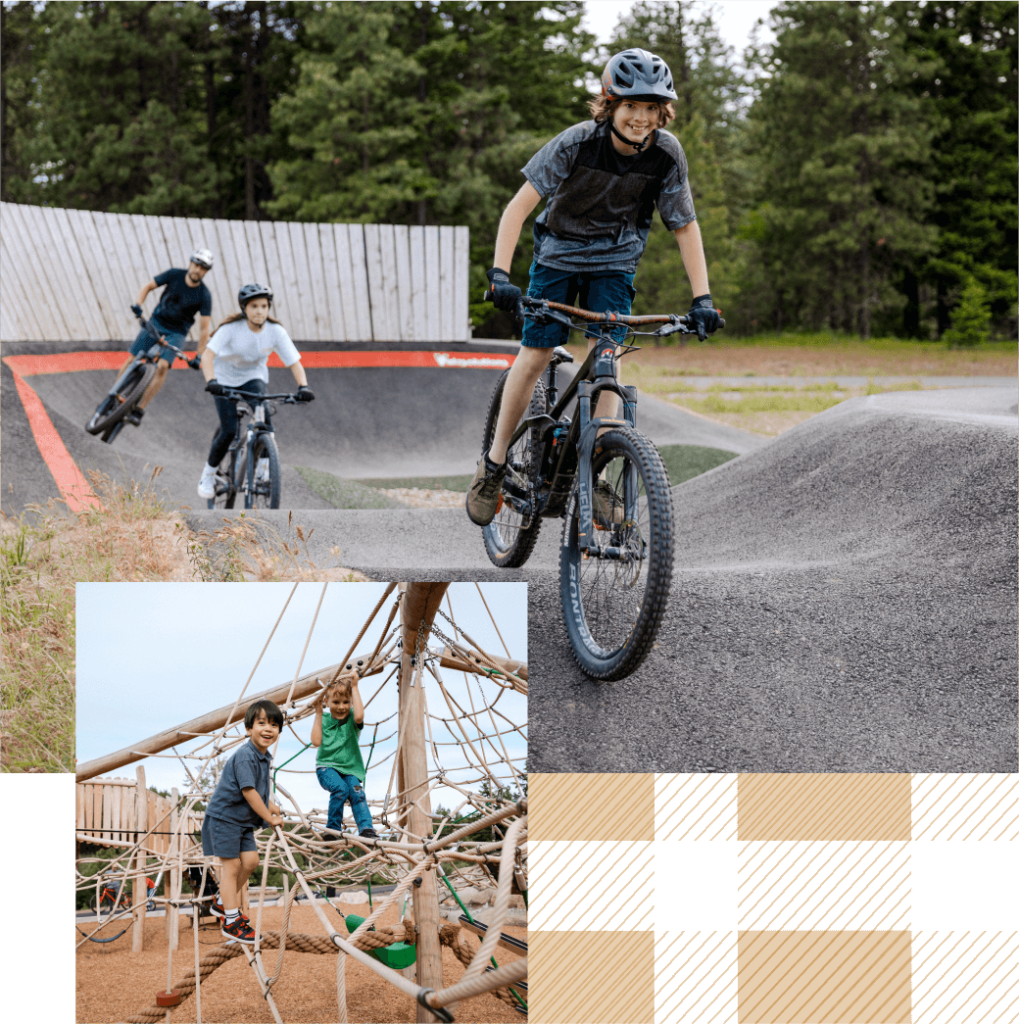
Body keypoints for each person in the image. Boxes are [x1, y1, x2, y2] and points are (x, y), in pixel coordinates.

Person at [466, 48, 722, 526]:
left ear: (663, 111)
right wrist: (501, 275)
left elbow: (685, 226)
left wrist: (702, 298)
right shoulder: (576, 143)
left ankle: (598, 474)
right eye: (630, 105)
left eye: (651, 108)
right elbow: (517, 208)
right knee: (537, 354)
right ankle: (495, 464)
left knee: (609, 357)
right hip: (558, 257)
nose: (641, 118)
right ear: (609, 104)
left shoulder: (667, 154)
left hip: (616, 263)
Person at [198, 283, 315, 500]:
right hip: (223, 379)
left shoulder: (276, 331)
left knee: (265, 421)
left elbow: (294, 362)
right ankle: (209, 474)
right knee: (229, 429)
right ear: (244, 309)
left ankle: (262, 472)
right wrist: (211, 381)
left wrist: (303, 387)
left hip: (253, 378)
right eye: (254, 306)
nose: (260, 311)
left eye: (264, 306)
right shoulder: (230, 329)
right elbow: (207, 356)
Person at [201, 699, 285, 943]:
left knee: (250, 861)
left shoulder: (262, 758)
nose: (268, 729)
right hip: (224, 818)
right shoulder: (246, 756)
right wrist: (269, 817)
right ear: (249, 729)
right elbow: (249, 793)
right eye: (261, 723)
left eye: (274, 724)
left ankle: (220, 900)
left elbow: (260, 792)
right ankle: (231, 921)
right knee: (232, 867)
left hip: (242, 822)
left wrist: (273, 807)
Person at [118, 249, 214, 425]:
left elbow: (204, 329)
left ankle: (140, 409)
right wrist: (138, 305)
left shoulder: (204, 295)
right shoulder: (174, 274)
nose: (197, 270)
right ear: (190, 263)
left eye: (203, 268)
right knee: (132, 358)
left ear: (206, 272)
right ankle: (115, 393)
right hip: (156, 322)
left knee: (162, 367)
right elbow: (148, 287)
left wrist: (199, 356)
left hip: (176, 333)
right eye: (196, 264)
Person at [311, 675, 379, 840]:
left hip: (350, 771)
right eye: (336, 702)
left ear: (351, 703)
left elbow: (359, 717)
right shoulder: (325, 719)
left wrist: (354, 687)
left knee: (358, 793)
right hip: (327, 768)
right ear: (326, 702)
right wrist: (319, 714)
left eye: (345, 702)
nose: (341, 707)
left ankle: (366, 829)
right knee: (340, 789)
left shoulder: (352, 719)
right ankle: (332, 829)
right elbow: (315, 741)